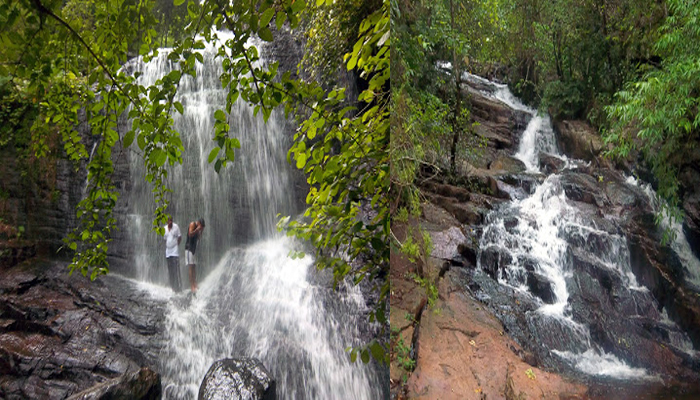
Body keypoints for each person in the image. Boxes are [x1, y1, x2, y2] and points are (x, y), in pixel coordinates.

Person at [185, 218, 205, 293]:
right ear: (199, 223)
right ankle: (192, 285)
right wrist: (197, 230)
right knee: (190, 266)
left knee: (194, 267)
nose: (201, 228)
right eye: (202, 227)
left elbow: (198, 238)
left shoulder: (198, 229)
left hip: (193, 249)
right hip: (189, 248)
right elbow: (190, 234)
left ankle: (195, 283)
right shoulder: (192, 224)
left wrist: (201, 232)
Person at [163, 217, 182, 292]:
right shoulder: (164, 229)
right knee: (170, 270)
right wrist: (168, 245)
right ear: (167, 221)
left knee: (176, 270)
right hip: (168, 252)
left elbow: (180, 237)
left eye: (171, 220)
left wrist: (176, 245)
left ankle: (178, 288)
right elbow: (165, 239)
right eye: (169, 221)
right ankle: (172, 287)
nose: (170, 222)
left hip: (175, 252)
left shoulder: (176, 227)